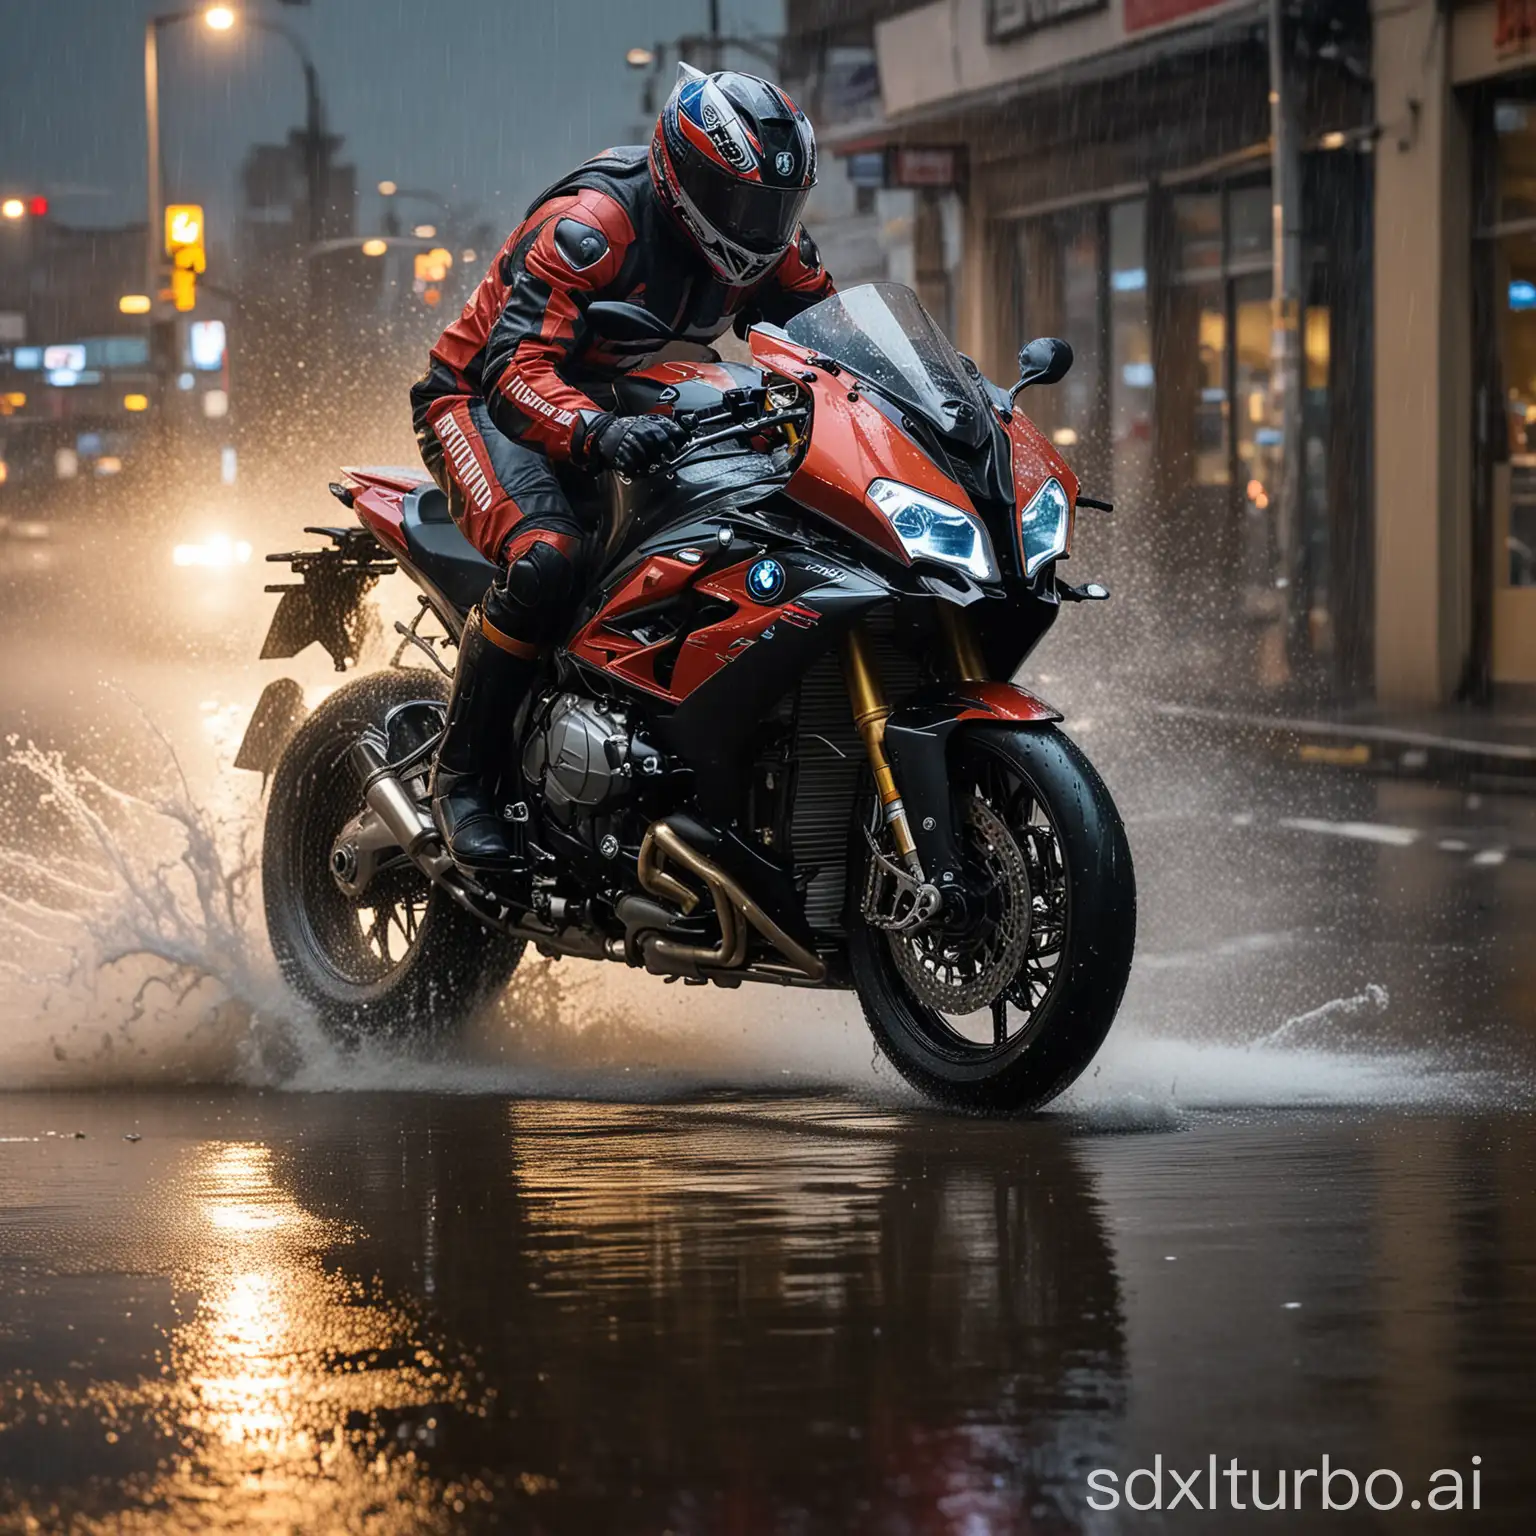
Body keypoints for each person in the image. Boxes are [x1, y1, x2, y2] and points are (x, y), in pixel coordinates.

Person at [410, 64, 835, 874]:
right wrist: (596, 429)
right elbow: (514, 371)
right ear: (684, 176)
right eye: (744, 203)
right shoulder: (593, 229)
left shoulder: (768, 251)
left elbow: (835, 352)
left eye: (779, 206)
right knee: (549, 556)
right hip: (479, 400)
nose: (762, 224)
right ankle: (460, 778)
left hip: (622, 404)